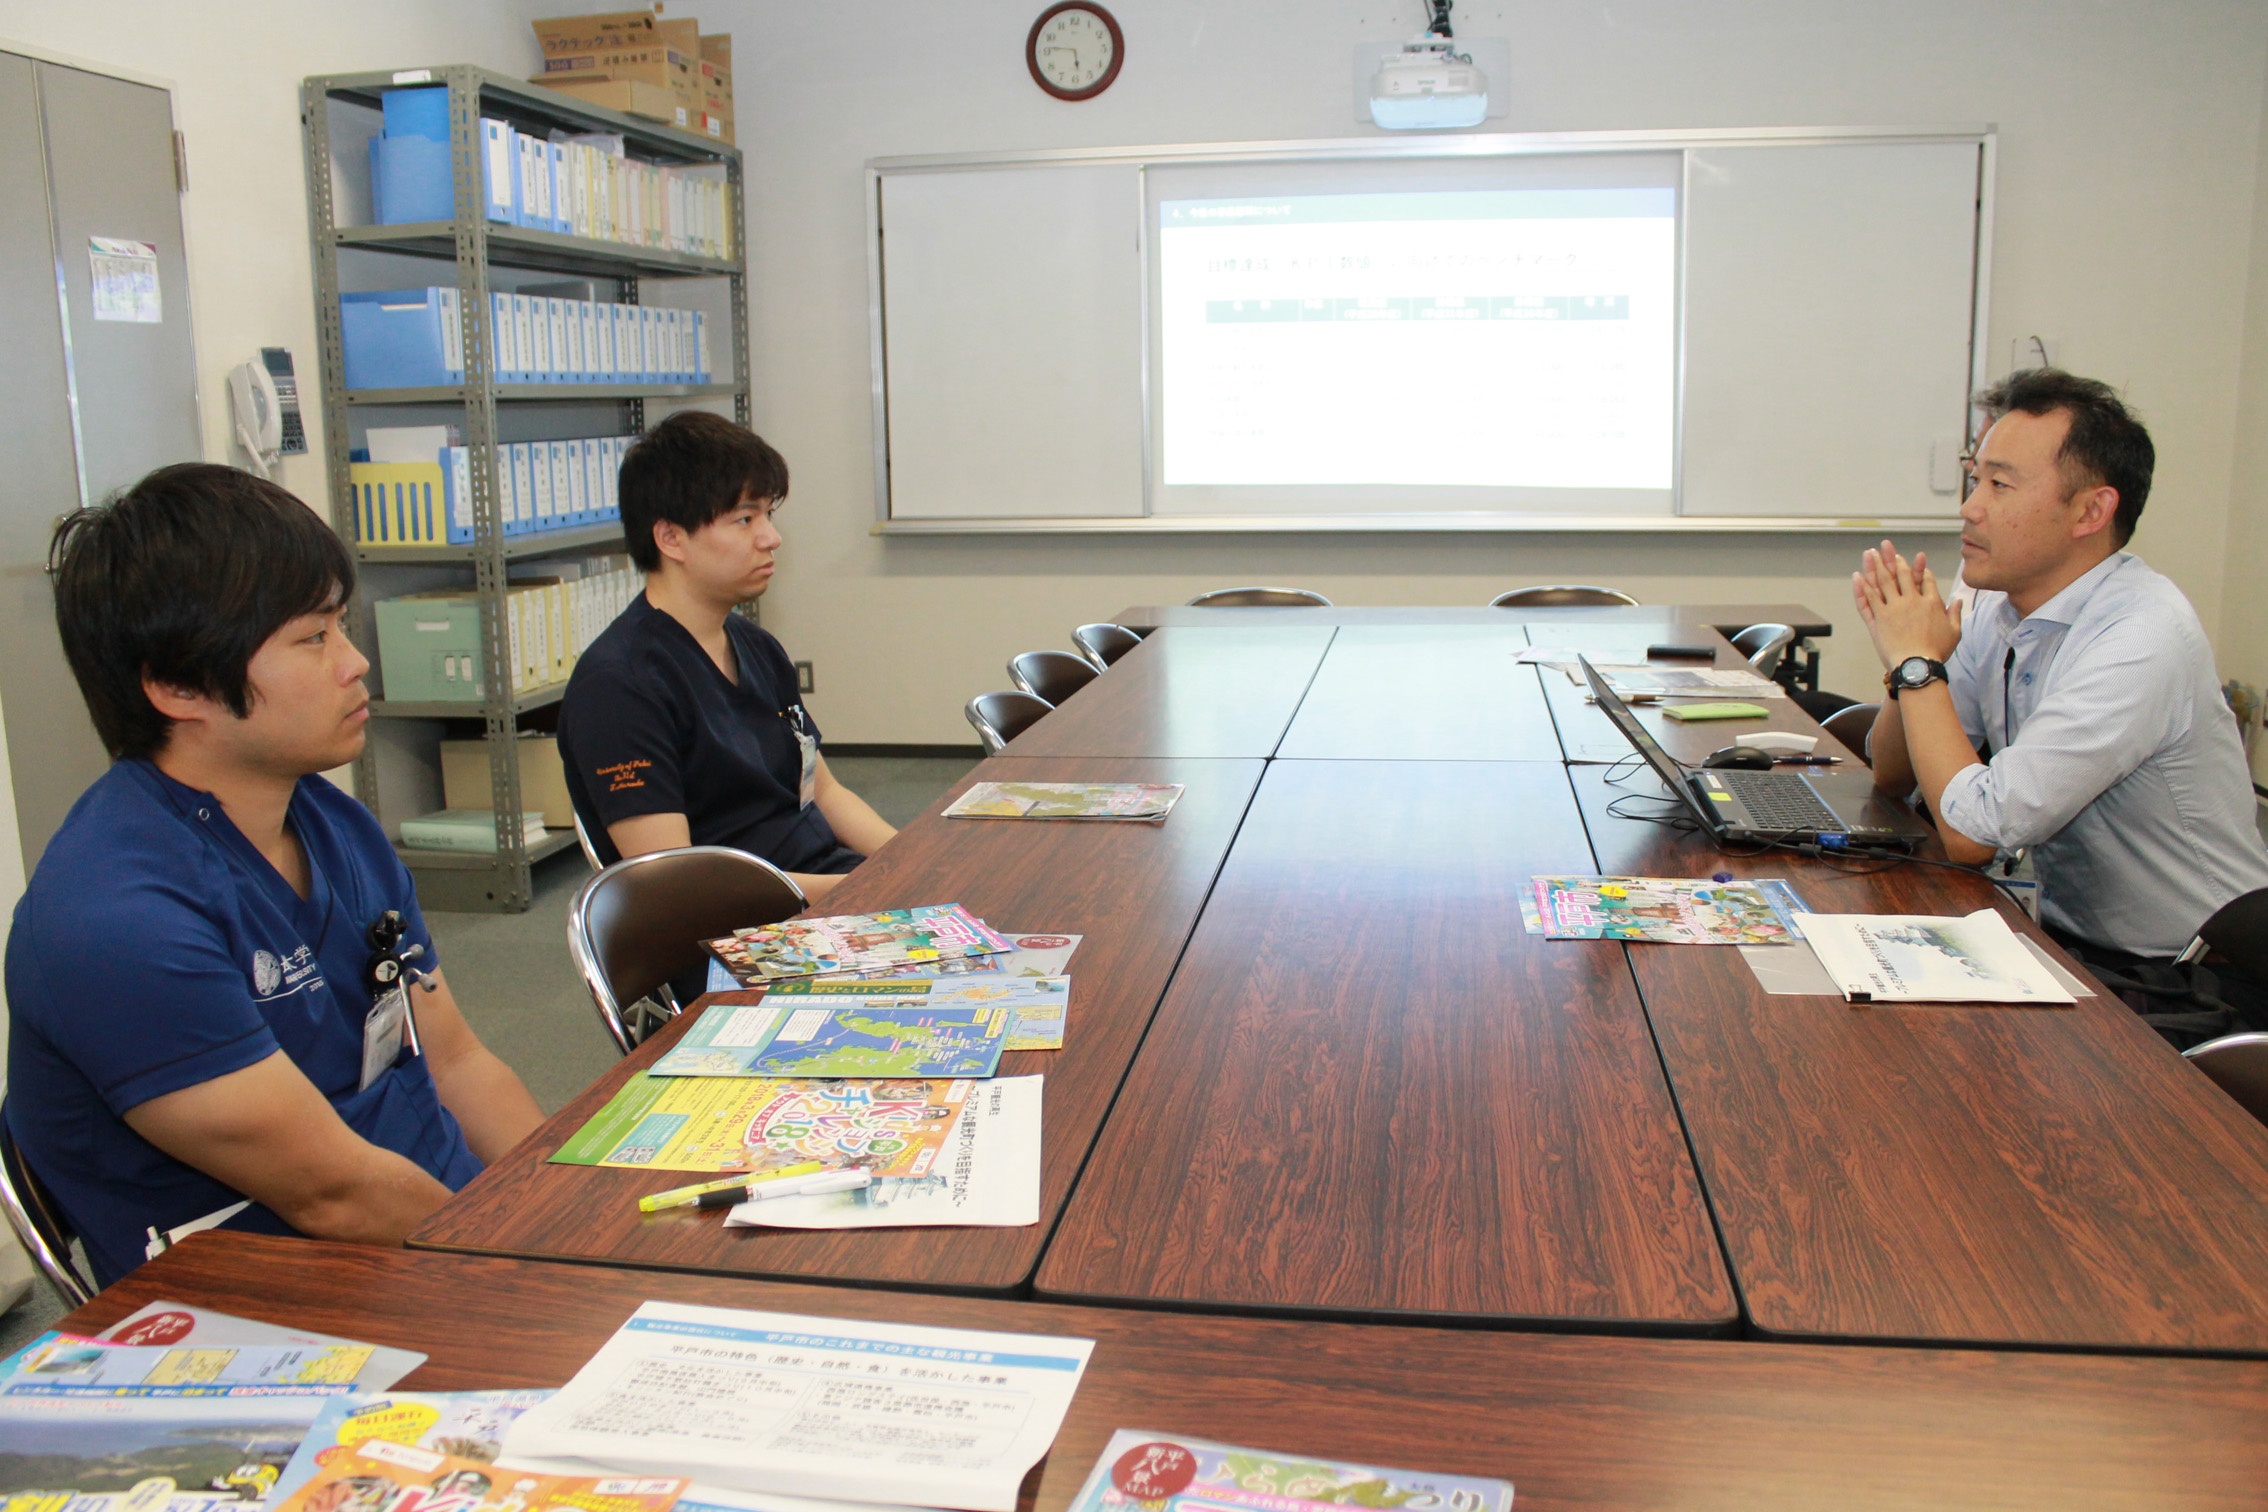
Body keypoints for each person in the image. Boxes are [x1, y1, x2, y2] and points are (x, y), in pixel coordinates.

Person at [7, 464, 545, 1286]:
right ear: (179, 685)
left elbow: (459, 1063)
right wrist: (537, 1265)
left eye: (341, 625)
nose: (356, 662)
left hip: (445, 1229)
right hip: (283, 1298)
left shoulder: (332, 822)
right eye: (313, 637)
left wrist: (564, 1209)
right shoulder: (114, 918)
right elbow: (333, 1196)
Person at [1851, 368, 2268, 996]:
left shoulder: (2142, 638)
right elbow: (1893, 774)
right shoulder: (1996, 603)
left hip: (2189, 974)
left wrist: (1917, 663)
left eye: (2000, 485)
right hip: (2064, 936)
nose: (1969, 508)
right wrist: (1909, 664)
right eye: (1974, 479)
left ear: (2091, 511)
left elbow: (1972, 834)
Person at [557, 412, 895, 900]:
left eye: (768, 515)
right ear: (671, 538)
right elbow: (679, 886)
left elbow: (824, 792)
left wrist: (911, 861)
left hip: (824, 888)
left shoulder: (756, 646)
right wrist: (866, 890)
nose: (771, 537)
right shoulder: (619, 685)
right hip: (742, 924)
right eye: (744, 519)